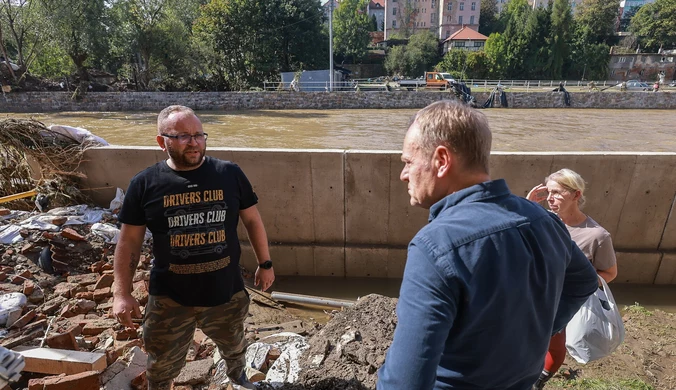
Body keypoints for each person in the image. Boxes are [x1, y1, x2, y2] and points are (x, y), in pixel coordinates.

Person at [376, 100, 599, 390]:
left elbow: (404, 384)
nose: (404, 174)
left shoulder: (435, 246)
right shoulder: (544, 220)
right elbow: (584, 281)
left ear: (441, 160)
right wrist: (542, 329)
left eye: (408, 161)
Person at [112, 105, 275, 390]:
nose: (195, 142)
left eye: (199, 134)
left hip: (226, 293)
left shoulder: (229, 173)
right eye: (184, 136)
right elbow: (129, 242)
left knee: (235, 347)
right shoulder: (145, 184)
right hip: (171, 300)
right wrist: (121, 293)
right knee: (161, 363)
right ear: (162, 141)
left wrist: (265, 264)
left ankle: (238, 378)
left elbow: (252, 220)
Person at [527, 169, 618, 389]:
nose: (550, 198)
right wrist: (528, 204)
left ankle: (540, 379)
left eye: (557, 193)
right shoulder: (543, 220)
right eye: (548, 192)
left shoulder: (597, 236)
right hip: (533, 294)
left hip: (563, 303)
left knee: (555, 344)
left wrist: (580, 283)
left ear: (576, 195)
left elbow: (610, 273)